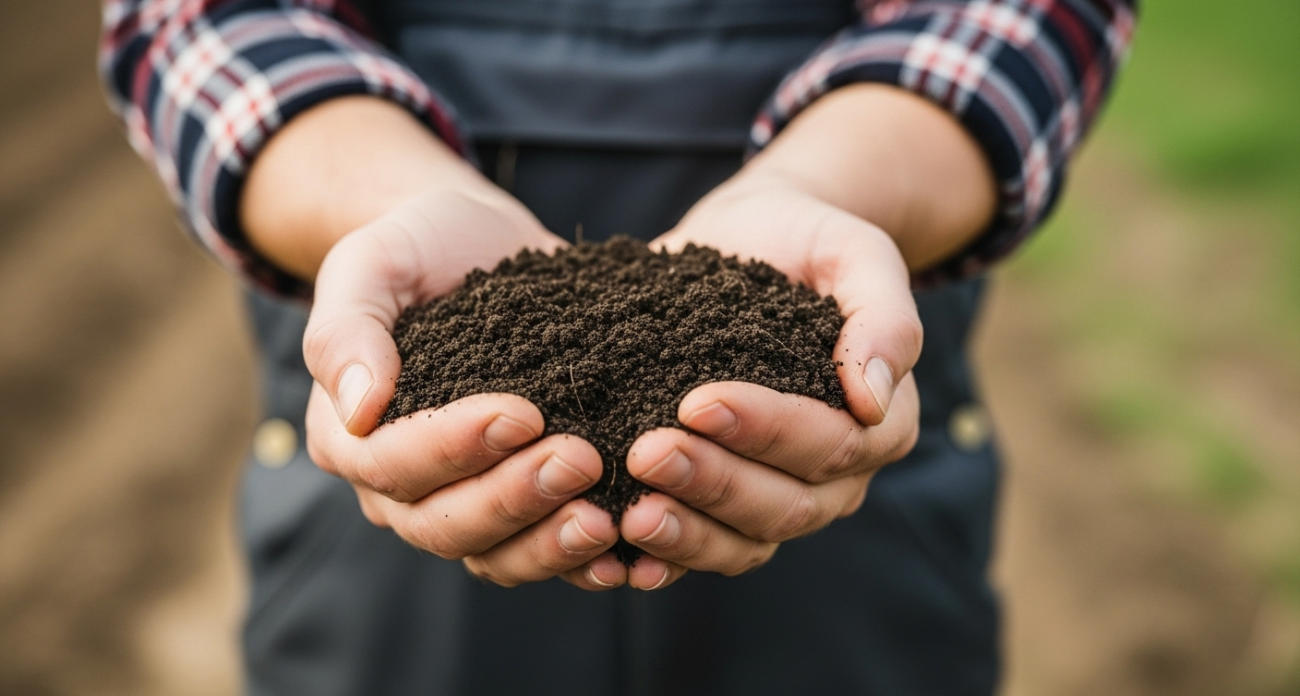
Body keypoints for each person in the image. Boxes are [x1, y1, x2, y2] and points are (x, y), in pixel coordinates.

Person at [101, 0, 1135, 693]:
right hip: (400, 405)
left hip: (837, 390)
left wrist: (827, 188)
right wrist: (393, 195)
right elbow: (200, 18)